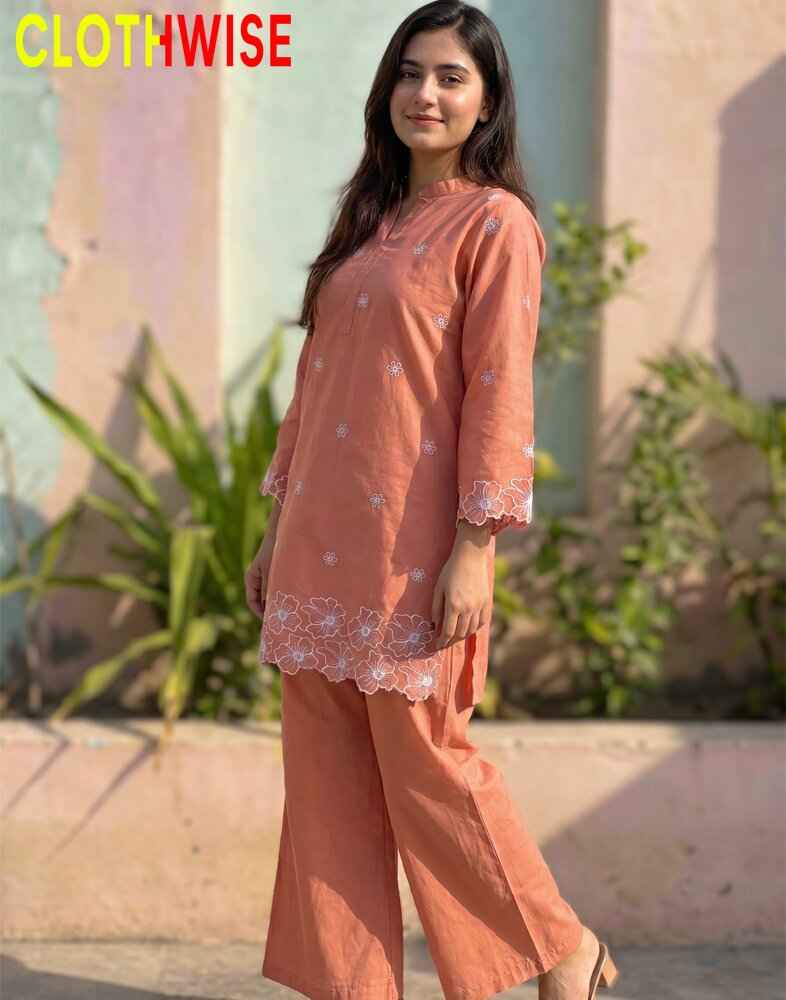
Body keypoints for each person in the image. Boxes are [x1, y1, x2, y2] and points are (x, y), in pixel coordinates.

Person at [244, 3, 619, 998]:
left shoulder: (495, 225)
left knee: (432, 770)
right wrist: (276, 526)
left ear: (488, 99)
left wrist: (478, 542)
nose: (427, 94)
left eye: (452, 77)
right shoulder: (367, 221)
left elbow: (501, 390)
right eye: (410, 73)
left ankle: (558, 944)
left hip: (413, 549)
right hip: (318, 540)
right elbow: (315, 386)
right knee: (326, 791)